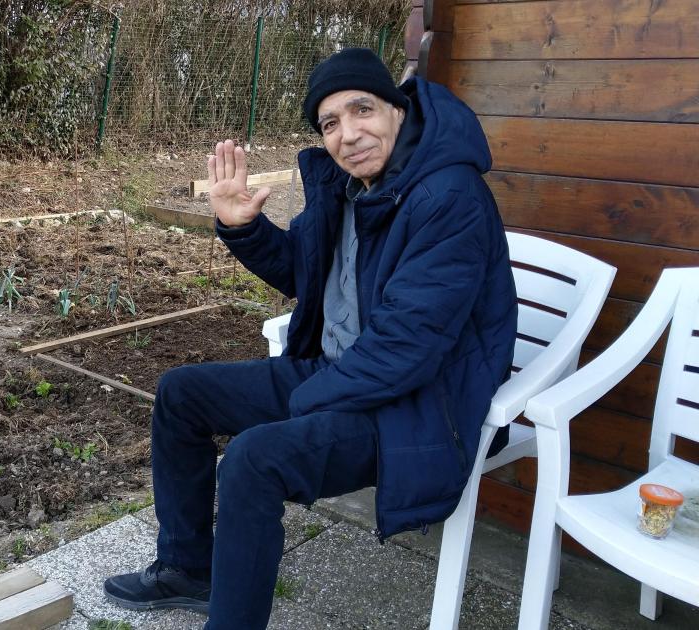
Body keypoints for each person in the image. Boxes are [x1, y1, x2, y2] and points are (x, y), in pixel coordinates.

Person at [103, 48, 517, 629]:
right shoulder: (351, 186)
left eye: (361, 110)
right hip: (342, 372)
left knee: (253, 459)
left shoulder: (447, 197)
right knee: (181, 394)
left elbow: (406, 348)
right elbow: (305, 269)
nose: (349, 135)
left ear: (396, 109)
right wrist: (241, 228)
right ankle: (189, 568)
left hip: (414, 405)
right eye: (330, 123)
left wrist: (297, 407)